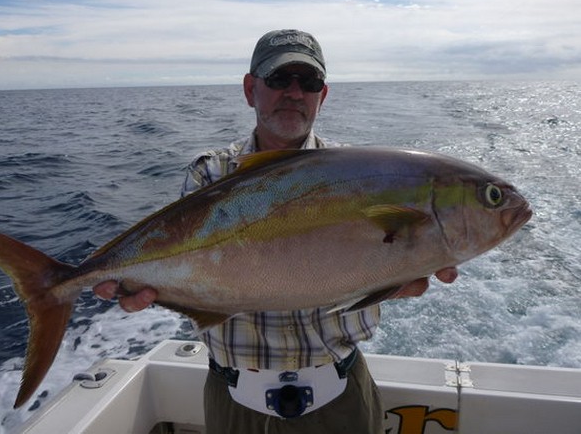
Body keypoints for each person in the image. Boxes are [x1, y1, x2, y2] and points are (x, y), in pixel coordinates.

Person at [94, 29, 458, 433]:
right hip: (237, 401)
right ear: (251, 89)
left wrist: (398, 276)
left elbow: (360, 262)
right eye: (279, 79)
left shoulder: (359, 174)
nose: (295, 92)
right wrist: (141, 285)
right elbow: (192, 263)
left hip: (342, 396)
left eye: (310, 82)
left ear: (324, 94)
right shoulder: (212, 172)